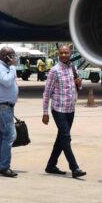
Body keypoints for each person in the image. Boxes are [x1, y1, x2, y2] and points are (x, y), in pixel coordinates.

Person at [41, 45, 86, 178]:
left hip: (70, 109)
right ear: (58, 54)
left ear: (71, 53)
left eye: (66, 52)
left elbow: (77, 87)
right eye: (62, 53)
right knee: (66, 137)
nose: (64, 55)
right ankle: (75, 168)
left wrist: (80, 84)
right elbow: (47, 92)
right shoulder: (55, 70)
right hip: (58, 109)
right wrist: (45, 112)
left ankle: (51, 165)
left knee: (61, 138)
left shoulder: (73, 68)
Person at [0, 46, 19, 178]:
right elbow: (6, 82)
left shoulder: (3, 67)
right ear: (6, 56)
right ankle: (4, 166)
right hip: (1, 107)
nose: (14, 58)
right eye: (12, 56)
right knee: (10, 135)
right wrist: (12, 67)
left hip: (5, 107)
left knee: (1, 135)